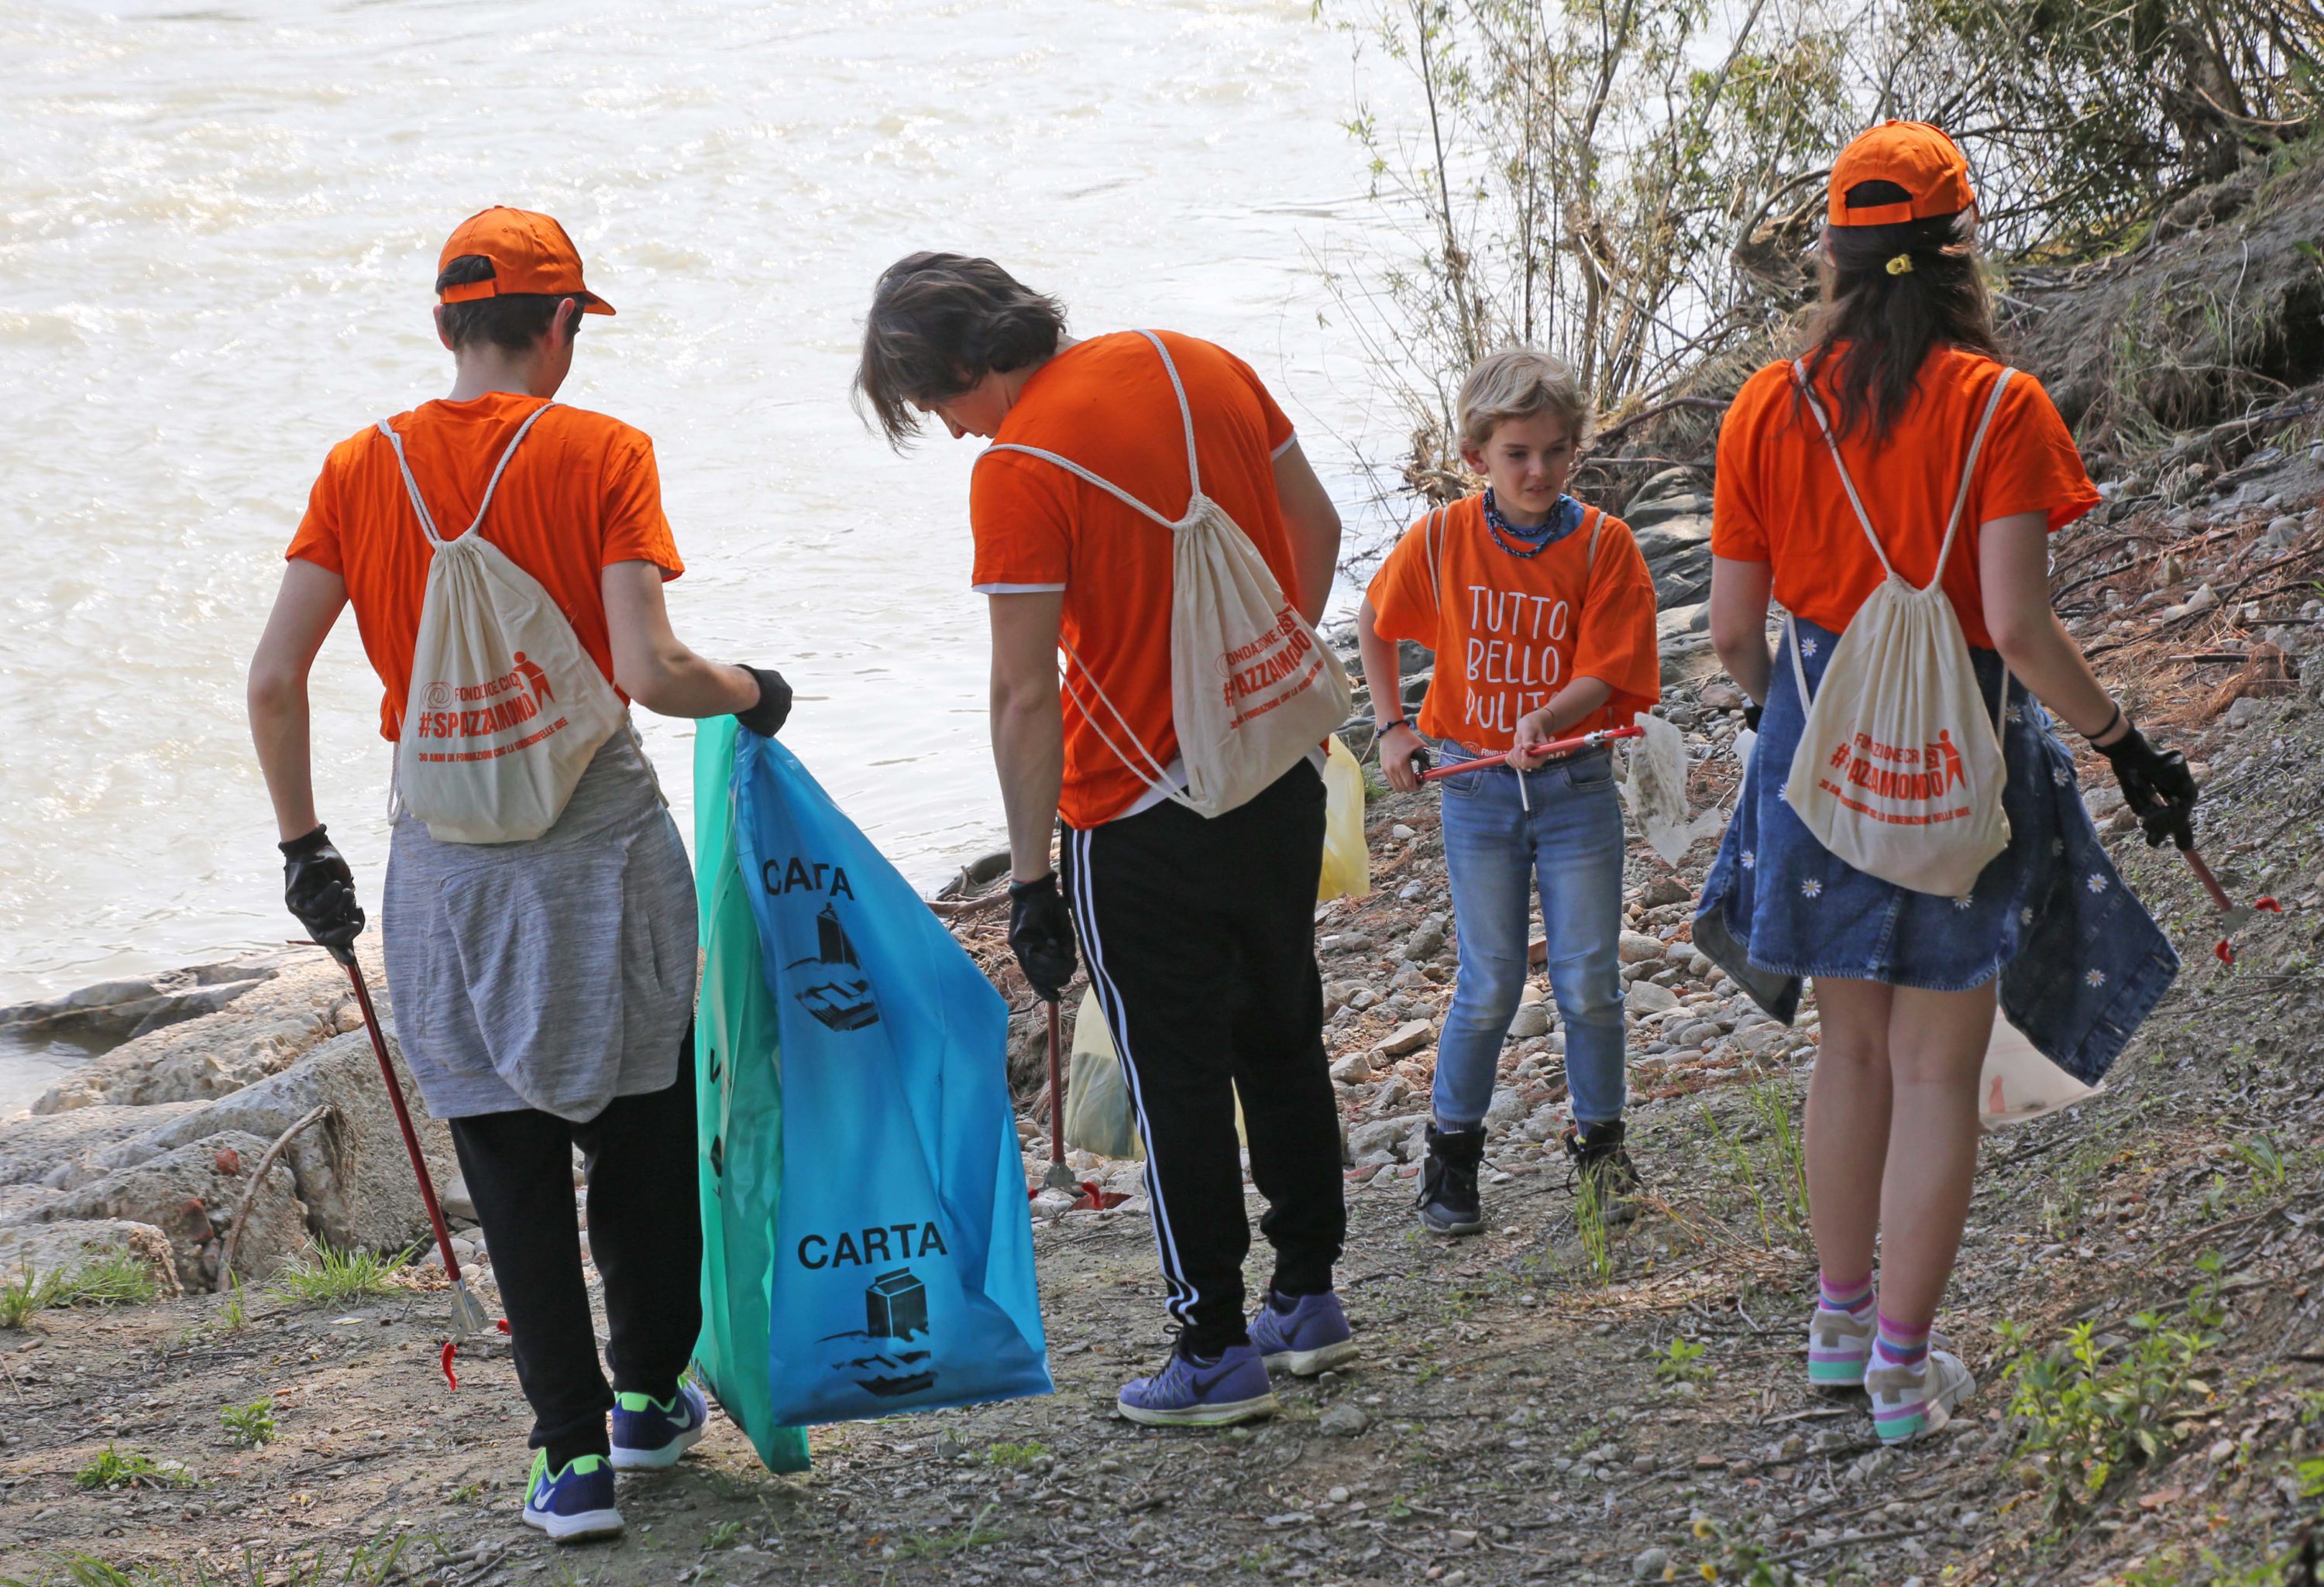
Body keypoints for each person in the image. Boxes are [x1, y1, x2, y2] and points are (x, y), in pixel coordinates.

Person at [246, 207, 794, 1540]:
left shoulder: (355, 466)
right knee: (645, 1130)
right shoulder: (604, 452)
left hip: (451, 862)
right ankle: (649, 1395)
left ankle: (566, 1459)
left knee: (505, 1147)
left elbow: (273, 679)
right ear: (560, 322)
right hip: (599, 843)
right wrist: (760, 691)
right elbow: (653, 674)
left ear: (445, 327)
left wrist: (304, 848)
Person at [1695, 123, 2195, 1446]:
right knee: (1934, 1071)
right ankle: (1903, 1377)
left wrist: (1792, 723)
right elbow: (2020, 629)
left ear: (1834, 261)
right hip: (1961, 782)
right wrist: (2124, 738)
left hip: (1820, 773)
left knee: (1846, 1050)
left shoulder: (1767, 404)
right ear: (1962, 251)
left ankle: (1838, 1326)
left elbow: (1733, 633)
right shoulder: (2000, 406)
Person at [854, 253, 1354, 1427]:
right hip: (1277, 773)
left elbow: (1025, 695)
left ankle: (1213, 1348)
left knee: (1175, 1073)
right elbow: (1316, 526)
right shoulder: (1201, 361)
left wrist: (1029, 878)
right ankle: (1310, 1299)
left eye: (941, 407)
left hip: (1136, 814)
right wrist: (1257, 689)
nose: (961, 435)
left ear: (971, 364)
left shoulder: (1023, 468)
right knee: (1283, 1026)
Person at [1356, 350, 1661, 1236]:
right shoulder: (1444, 537)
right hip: (1477, 793)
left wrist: (1546, 714)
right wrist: (1393, 727)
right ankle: (1452, 1158)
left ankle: (1601, 1151)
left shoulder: (1605, 544)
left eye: (1556, 452)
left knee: (1590, 983)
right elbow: (1375, 627)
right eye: (1517, 454)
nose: (1538, 472)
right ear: (1475, 454)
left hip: (1572, 789)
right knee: (1487, 983)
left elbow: (1608, 669)